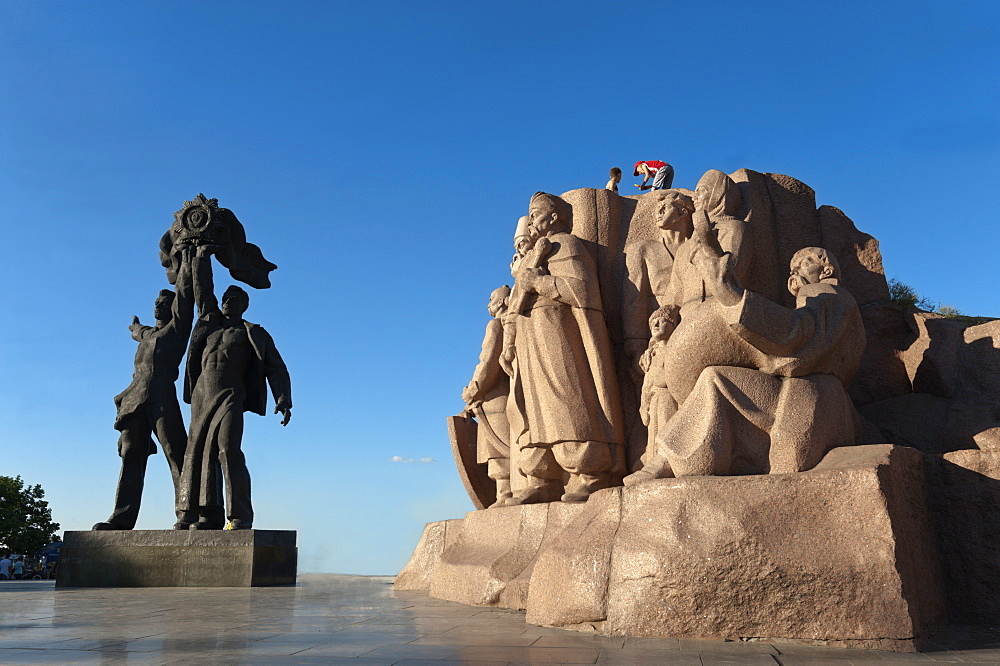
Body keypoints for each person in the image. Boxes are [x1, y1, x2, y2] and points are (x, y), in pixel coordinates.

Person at [625, 246, 864, 483]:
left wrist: (731, 295)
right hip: (802, 395)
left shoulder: (827, 295)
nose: (794, 272)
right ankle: (676, 459)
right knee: (715, 377)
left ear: (826, 270)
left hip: (810, 401)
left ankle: (673, 461)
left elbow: (795, 337)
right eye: (792, 268)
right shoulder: (822, 300)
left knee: (716, 379)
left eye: (803, 264)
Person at [506, 192, 624, 504]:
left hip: (557, 329)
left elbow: (583, 291)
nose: (532, 221)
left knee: (567, 395)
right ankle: (542, 477)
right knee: (531, 405)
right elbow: (515, 304)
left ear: (556, 216)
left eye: (537, 213)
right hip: (530, 334)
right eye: (530, 215)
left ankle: (591, 471)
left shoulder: (567, 245)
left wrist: (537, 283)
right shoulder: (534, 252)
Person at [179, 246, 292, 530]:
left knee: (228, 450)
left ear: (244, 305)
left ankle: (240, 514)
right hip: (202, 396)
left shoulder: (252, 333)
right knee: (197, 454)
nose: (228, 301)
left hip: (231, 395)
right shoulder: (209, 323)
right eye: (226, 298)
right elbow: (203, 288)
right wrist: (202, 257)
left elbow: (275, 367)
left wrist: (283, 398)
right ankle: (205, 515)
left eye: (235, 298)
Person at [94, 247, 198, 531]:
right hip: (135, 400)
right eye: (156, 301)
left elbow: (186, 297)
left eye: (164, 302)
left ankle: (187, 514)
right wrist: (135, 328)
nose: (158, 305)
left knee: (177, 453)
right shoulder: (148, 335)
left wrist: (189, 261)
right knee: (131, 456)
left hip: (162, 398)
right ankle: (121, 517)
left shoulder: (176, 330)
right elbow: (138, 331)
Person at [462, 286, 514, 507]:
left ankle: (505, 494)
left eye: (491, 299)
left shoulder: (497, 325)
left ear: (502, 302)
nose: (488, 304)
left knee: (499, 448)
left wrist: (473, 391)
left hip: (495, 397)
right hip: (500, 395)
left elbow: (489, 362)